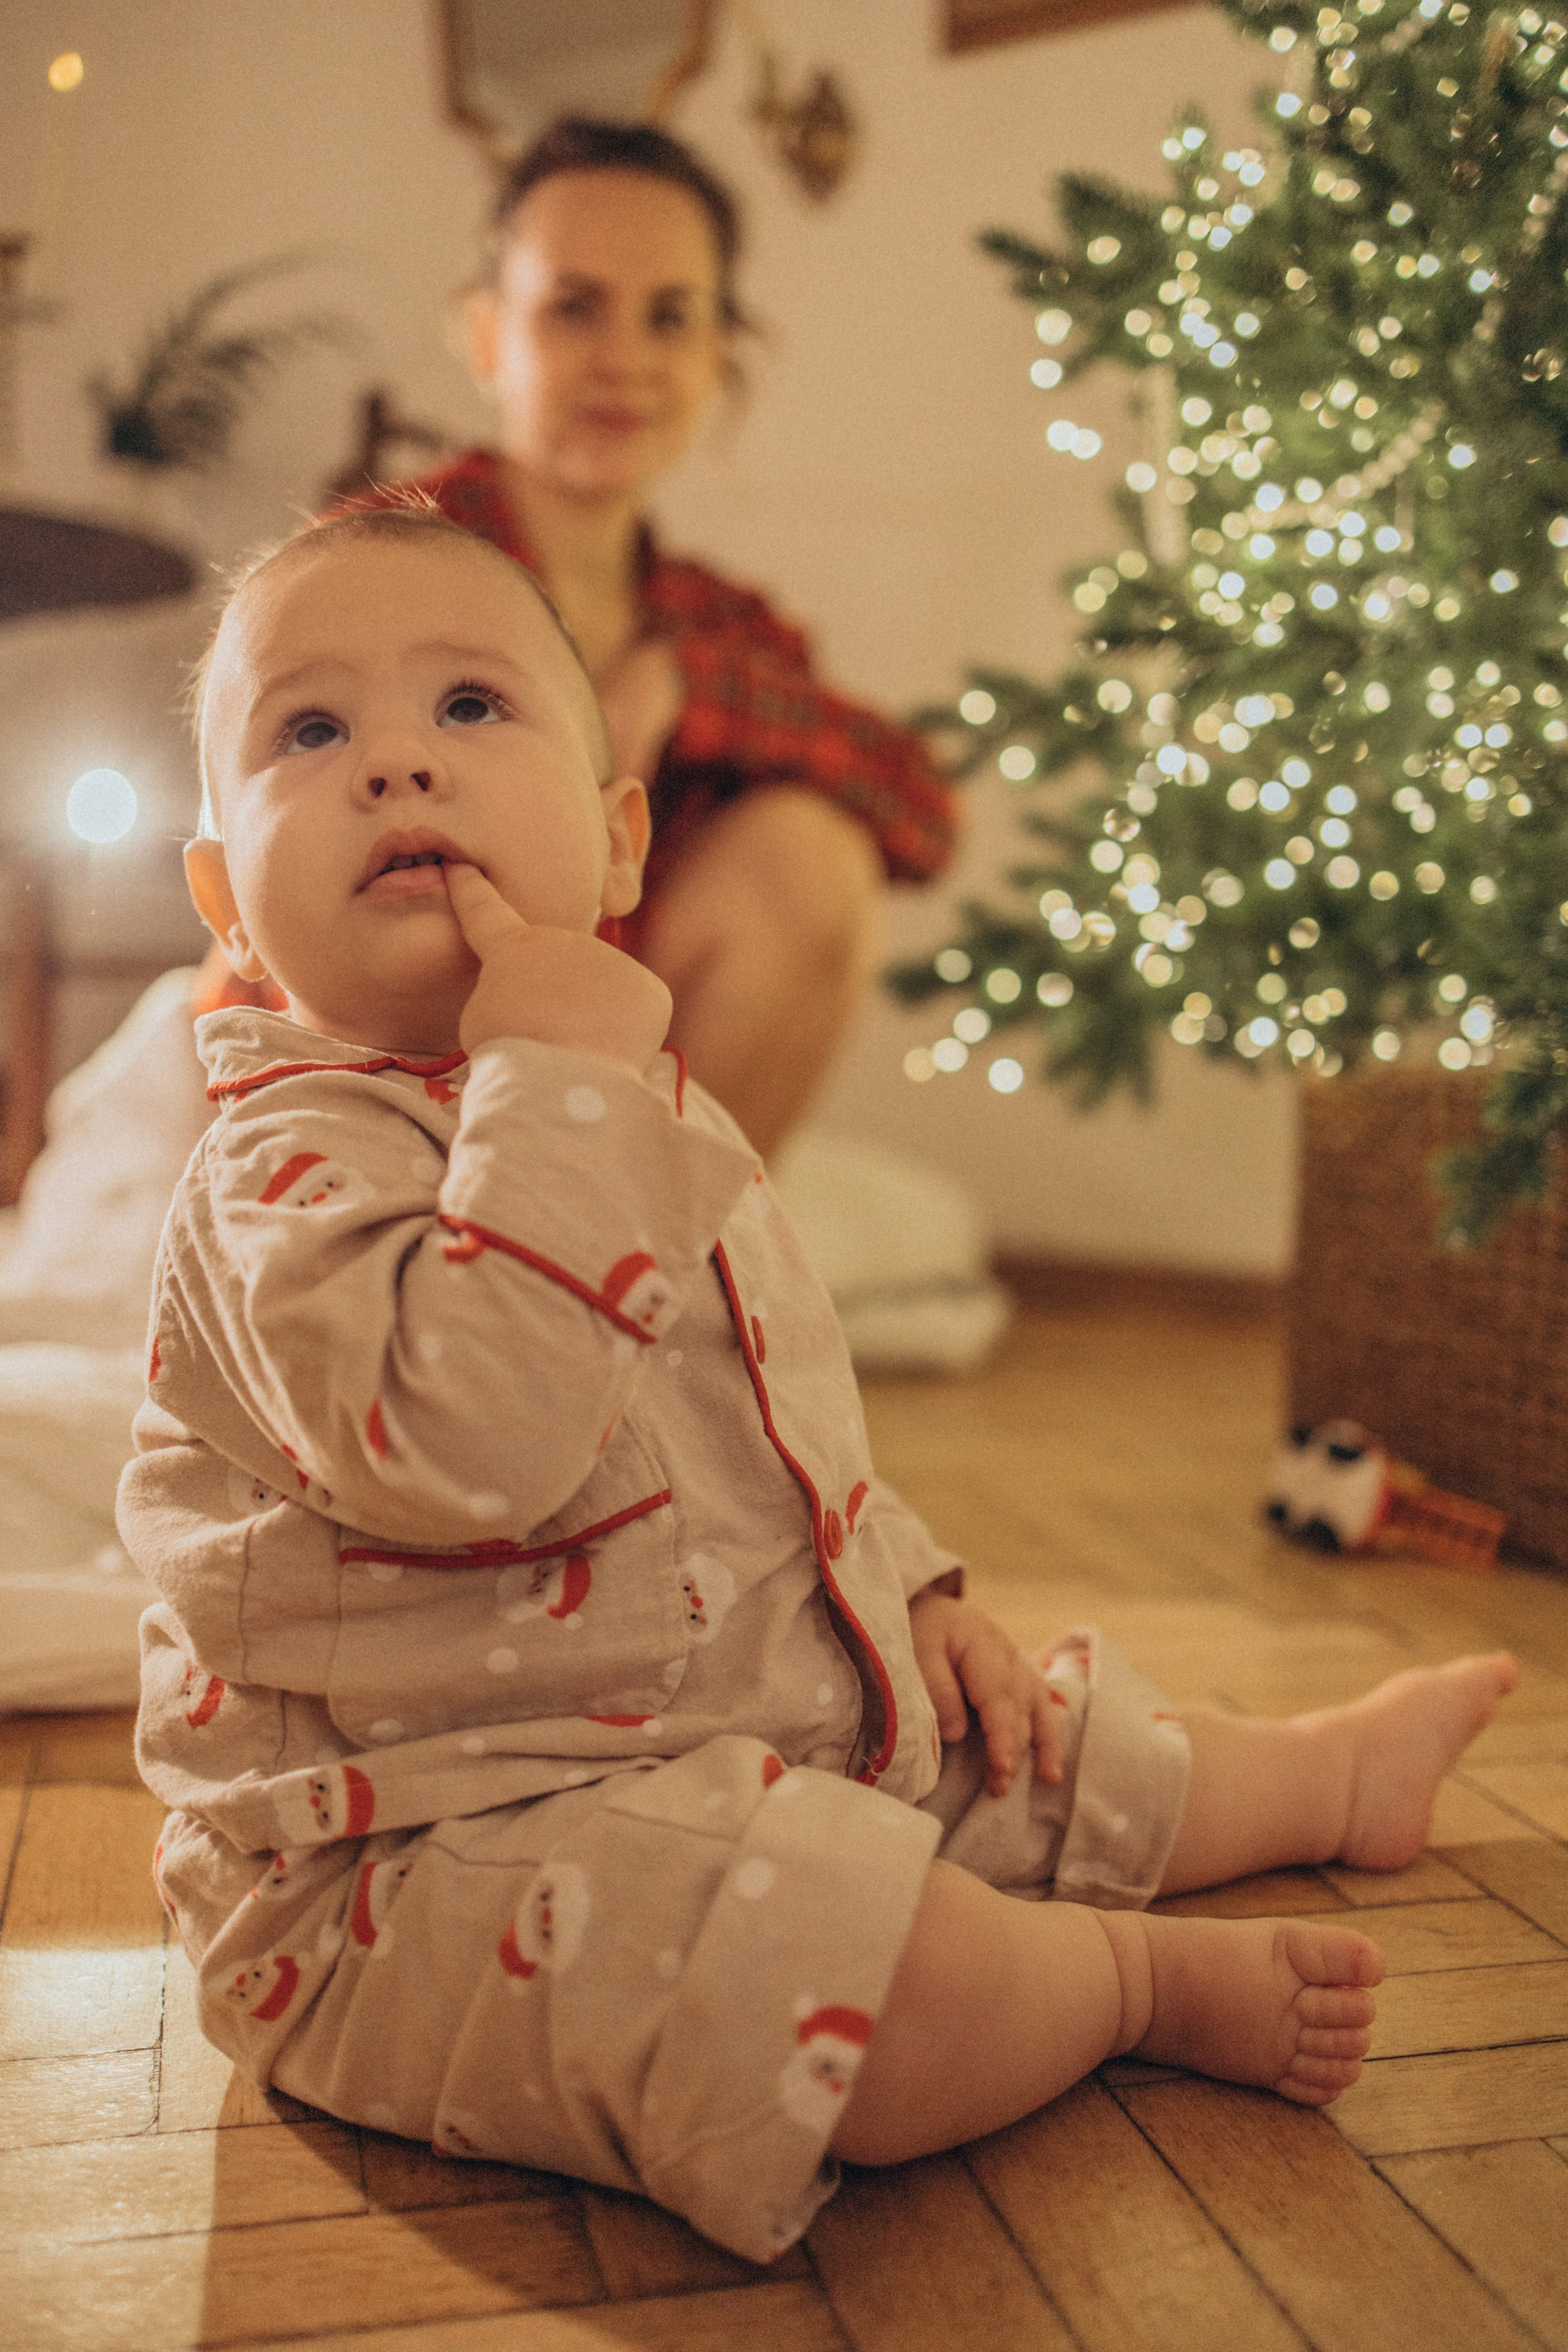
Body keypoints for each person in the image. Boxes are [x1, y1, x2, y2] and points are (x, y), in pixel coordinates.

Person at [129, 507, 1517, 2263]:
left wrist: (903, 1583)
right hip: (411, 1862)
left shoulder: (650, 1113)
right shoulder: (283, 1176)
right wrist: (552, 1071)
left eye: (473, 709)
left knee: (1021, 1737)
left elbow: (775, 1421)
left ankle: (1321, 1782)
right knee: (869, 1967)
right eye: (309, 732)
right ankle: (1127, 1984)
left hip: (727, 1717)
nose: (397, 762)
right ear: (222, 896)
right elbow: (469, 1448)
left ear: (620, 842)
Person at [332, 116, 952, 1158]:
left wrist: (686, 685)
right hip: (382, 1074)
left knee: (815, 861)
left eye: (671, 317)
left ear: (720, 356)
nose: (624, 360)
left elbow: (924, 811)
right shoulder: (376, 562)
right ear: (489, 337)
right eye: (574, 309)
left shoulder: (721, 626)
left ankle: (647, 1270)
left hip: (609, 1097)